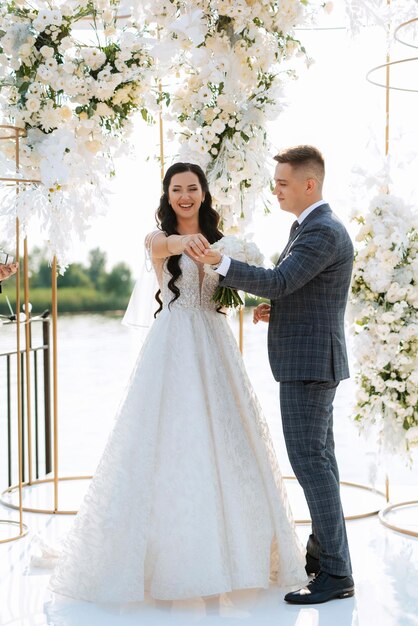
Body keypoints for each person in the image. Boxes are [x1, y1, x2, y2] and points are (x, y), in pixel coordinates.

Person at [48, 162, 306, 604]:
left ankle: (235, 558)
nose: (184, 196)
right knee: (170, 443)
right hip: (172, 345)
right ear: (168, 197)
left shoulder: (228, 244)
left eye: (192, 188)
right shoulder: (158, 240)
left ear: (204, 193)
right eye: (176, 190)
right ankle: (168, 564)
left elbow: (230, 294)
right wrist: (182, 241)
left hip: (215, 344)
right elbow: (162, 243)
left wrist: (258, 308)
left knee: (228, 445)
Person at [195, 146, 355, 605]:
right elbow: (299, 289)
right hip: (310, 360)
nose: (276, 188)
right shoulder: (308, 227)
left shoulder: (322, 230)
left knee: (311, 465)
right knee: (320, 463)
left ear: (310, 184)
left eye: (283, 182)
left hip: (309, 366)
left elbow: (282, 279)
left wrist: (219, 263)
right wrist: (277, 310)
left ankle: (337, 573)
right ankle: (324, 554)